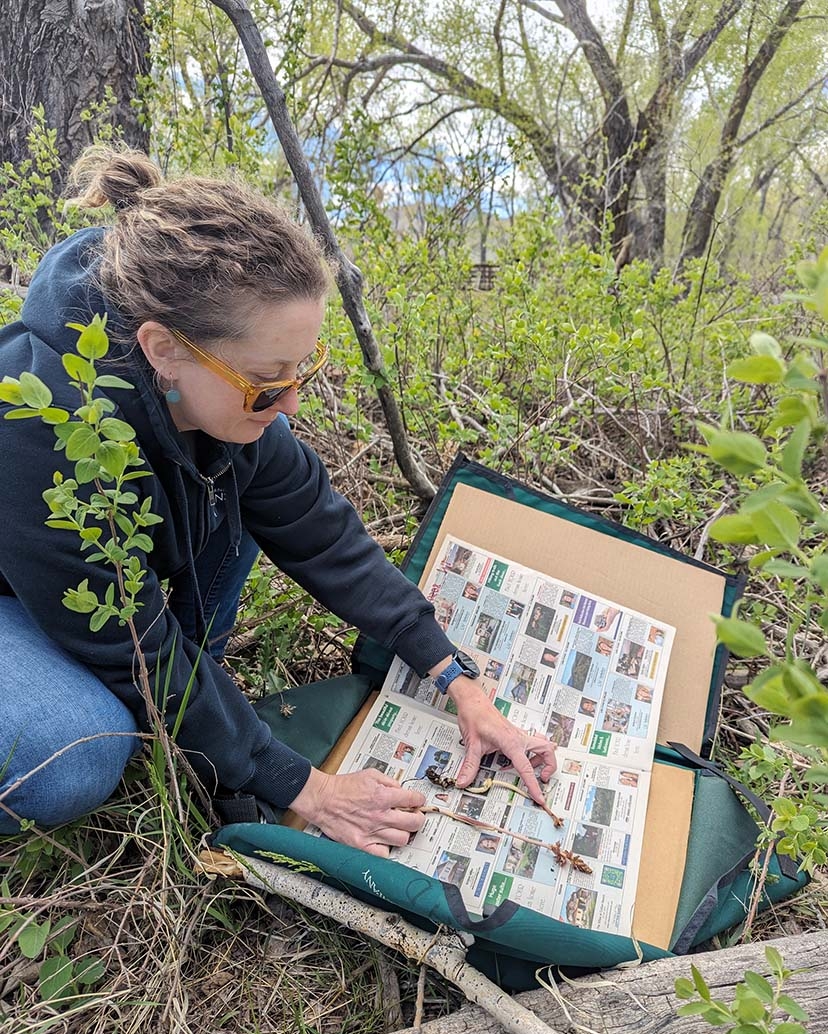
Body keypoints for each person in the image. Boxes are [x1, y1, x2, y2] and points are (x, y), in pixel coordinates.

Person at [0, 148, 557, 853]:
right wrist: (308, 789)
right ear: (162, 348)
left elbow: (322, 537)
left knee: (255, 457)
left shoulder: (220, 400)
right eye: (268, 377)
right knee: (76, 753)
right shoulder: (40, 429)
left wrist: (457, 681)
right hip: (16, 594)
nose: (290, 399)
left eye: (302, 369)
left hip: (88, 593)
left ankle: (194, 726)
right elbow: (134, 649)